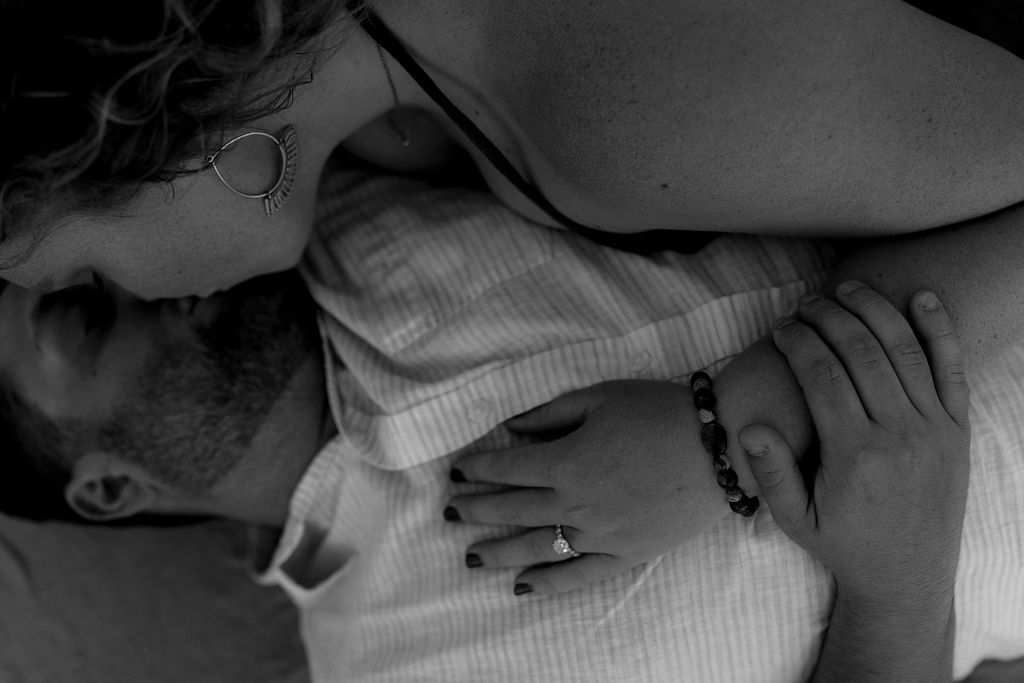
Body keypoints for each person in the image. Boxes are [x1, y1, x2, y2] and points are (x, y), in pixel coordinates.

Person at [3, 167, 1022, 680]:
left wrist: (720, 435)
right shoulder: (392, 667)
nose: (138, 277)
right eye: (86, 312)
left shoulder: (352, 181)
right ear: (110, 486)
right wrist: (898, 589)